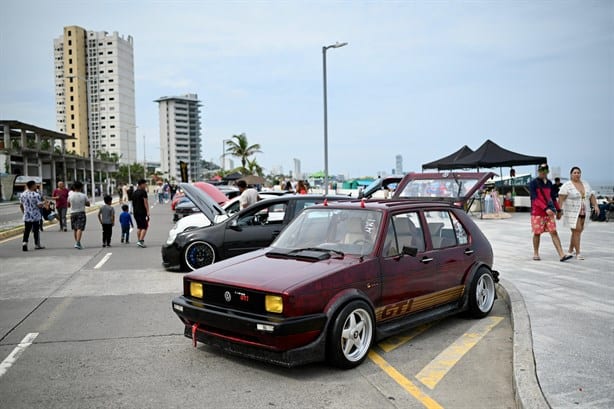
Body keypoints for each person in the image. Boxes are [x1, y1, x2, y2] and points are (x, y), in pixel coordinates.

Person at [529, 163, 571, 262]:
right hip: (538, 213)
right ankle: (536, 253)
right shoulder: (533, 183)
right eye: (541, 171)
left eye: (545, 172)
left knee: (554, 232)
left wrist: (559, 209)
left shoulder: (549, 184)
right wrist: (545, 208)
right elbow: (535, 199)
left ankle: (561, 254)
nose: (543, 173)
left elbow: (553, 198)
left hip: (549, 213)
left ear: (547, 172)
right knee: (537, 233)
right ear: (538, 171)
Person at [557, 166, 599, 260]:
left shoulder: (585, 184)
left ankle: (570, 250)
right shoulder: (567, 185)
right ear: (571, 174)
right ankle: (578, 253)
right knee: (577, 231)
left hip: (585, 211)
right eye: (575, 173)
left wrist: (596, 206)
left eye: (578, 172)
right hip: (572, 212)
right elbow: (561, 199)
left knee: (578, 232)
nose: (577, 174)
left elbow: (591, 195)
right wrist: (559, 211)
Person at [19, 180, 45, 251]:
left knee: (27, 230)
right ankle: (37, 244)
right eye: (35, 185)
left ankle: (24, 243)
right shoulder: (36, 194)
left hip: (27, 215)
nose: (36, 186)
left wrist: (24, 212)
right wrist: (44, 203)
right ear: (32, 186)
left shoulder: (23, 194)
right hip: (35, 215)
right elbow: (39, 205)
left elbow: (21, 205)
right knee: (36, 230)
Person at [68, 180, 90, 250]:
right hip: (81, 212)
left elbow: (68, 205)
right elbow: (88, 204)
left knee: (75, 228)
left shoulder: (70, 195)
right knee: (80, 228)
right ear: (81, 187)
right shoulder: (83, 195)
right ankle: (77, 242)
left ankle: (77, 242)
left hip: (73, 213)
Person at [132, 179, 150, 248]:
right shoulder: (143, 192)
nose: (145, 186)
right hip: (142, 212)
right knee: (145, 227)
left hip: (135, 212)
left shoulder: (134, 192)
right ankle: (141, 241)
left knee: (139, 227)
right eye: (145, 184)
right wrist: (148, 211)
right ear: (141, 184)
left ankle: (139, 240)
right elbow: (145, 202)